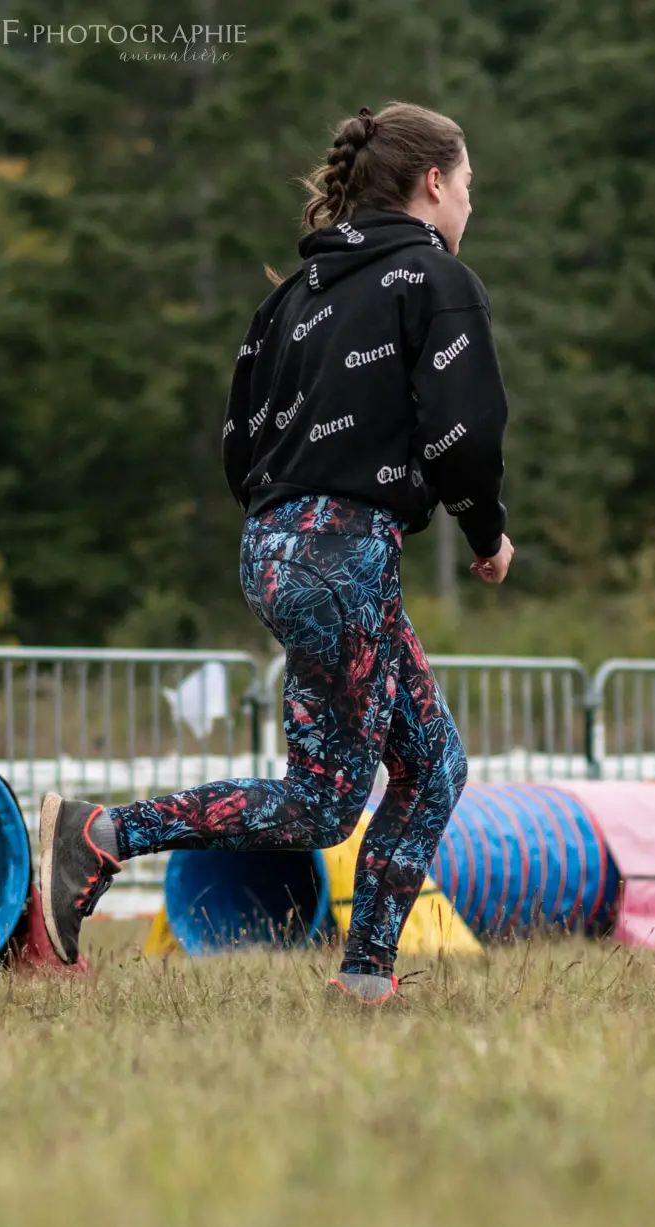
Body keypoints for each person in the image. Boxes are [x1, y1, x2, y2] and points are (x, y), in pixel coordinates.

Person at [33, 102, 514, 1003]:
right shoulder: (435, 279)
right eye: (470, 185)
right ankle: (104, 833)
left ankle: (367, 976)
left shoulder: (288, 299)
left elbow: (239, 444)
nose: (470, 207)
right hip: (341, 554)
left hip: (279, 545)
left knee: (432, 764)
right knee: (326, 802)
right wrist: (485, 534)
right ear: (435, 184)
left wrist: (290, 537)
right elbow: (466, 434)